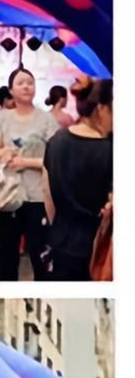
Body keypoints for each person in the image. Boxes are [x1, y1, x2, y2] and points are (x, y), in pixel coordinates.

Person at [0, 67, 60, 281]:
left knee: (40, 257)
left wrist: (26, 162)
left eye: (30, 82)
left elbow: (55, 158)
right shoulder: (1, 119)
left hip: (38, 197)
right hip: (9, 197)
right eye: (20, 83)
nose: (26, 87)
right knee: (7, 258)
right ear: (11, 90)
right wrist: (3, 153)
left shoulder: (46, 120)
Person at [43, 77, 113, 281]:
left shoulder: (55, 142)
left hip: (61, 241)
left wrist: (59, 227)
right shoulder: (110, 149)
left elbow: (47, 194)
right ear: (101, 109)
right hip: (98, 249)